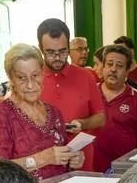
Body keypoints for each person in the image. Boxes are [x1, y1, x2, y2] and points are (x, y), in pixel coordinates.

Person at [0, 44, 84, 179]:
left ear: (43, 73)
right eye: (21, 77)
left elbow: (63, 160)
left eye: (35, 75)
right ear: (11, 78)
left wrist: (73, 159)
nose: (30, 85)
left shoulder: (54, 113)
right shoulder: (2, 114)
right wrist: (41, 159)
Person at [38, 18, 105, 171]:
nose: (56, 58)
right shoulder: (33, 80)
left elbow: (101, 118)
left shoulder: (86, 76)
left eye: (62, 52)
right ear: (41, 49)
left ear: (68, 47)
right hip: (46, 169)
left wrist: (83, 124)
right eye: (50, 52)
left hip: (82, 165)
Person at [92, 44, 137, 172]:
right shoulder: (89, 92)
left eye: (119, 66)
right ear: (103, 66)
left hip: (124, 173)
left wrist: (136, 172)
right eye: (109, 64)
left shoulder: (136, 97)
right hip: (91, 171)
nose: (113, 69)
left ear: (127, 71)